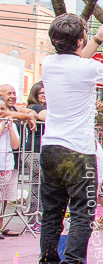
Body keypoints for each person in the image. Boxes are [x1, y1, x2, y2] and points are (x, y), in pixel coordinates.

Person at [39, 14, 103, 264]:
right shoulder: (88, 68)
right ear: (79, 40)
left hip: (50, 147)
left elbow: (74, 60)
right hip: (78, 151)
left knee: (52, 215)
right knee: (82, 213)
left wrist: (98, 38)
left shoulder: (49, 64)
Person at [24, 81, 46, 231]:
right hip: (34, 150)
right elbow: (44, 116)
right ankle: (33, 219)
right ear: (35, 95)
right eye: (41, 93)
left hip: (41, 150)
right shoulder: (34, 107)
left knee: (40, 185)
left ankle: (36, 218)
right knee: (37, 185)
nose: (44, 96)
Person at [0, 98, 22, 233]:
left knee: (4, 198)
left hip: (7, 164)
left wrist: (10, 128)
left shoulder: (11, 124)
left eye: (3, 108)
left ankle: (1, 225)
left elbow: (15, 145)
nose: (1, 111)